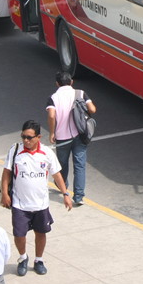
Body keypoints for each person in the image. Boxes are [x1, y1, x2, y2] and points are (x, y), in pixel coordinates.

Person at [0, 120, 73, 277]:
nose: (26, 140)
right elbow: (6, 173)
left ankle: (39, 260)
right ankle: (23, 258)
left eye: (29, 137)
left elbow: (57, 174)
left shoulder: (46, 153)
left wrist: (66, 194)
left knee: (41, 233)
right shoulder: (15, 150)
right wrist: (5, 193)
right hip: (19, 203)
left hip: (41, 204)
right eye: (23, 136)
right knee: (19, 235)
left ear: (38, 137)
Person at [46, 71, 97, 207]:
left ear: (57, 83)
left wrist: (52, 132)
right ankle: (79, 196)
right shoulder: (80, 93)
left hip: (62, 137)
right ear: (71, 82)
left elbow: (51, 116)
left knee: (61, 165)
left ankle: (64, 187)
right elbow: (92, 109)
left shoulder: (53, 97)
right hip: (80, 135)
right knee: (79, 165)